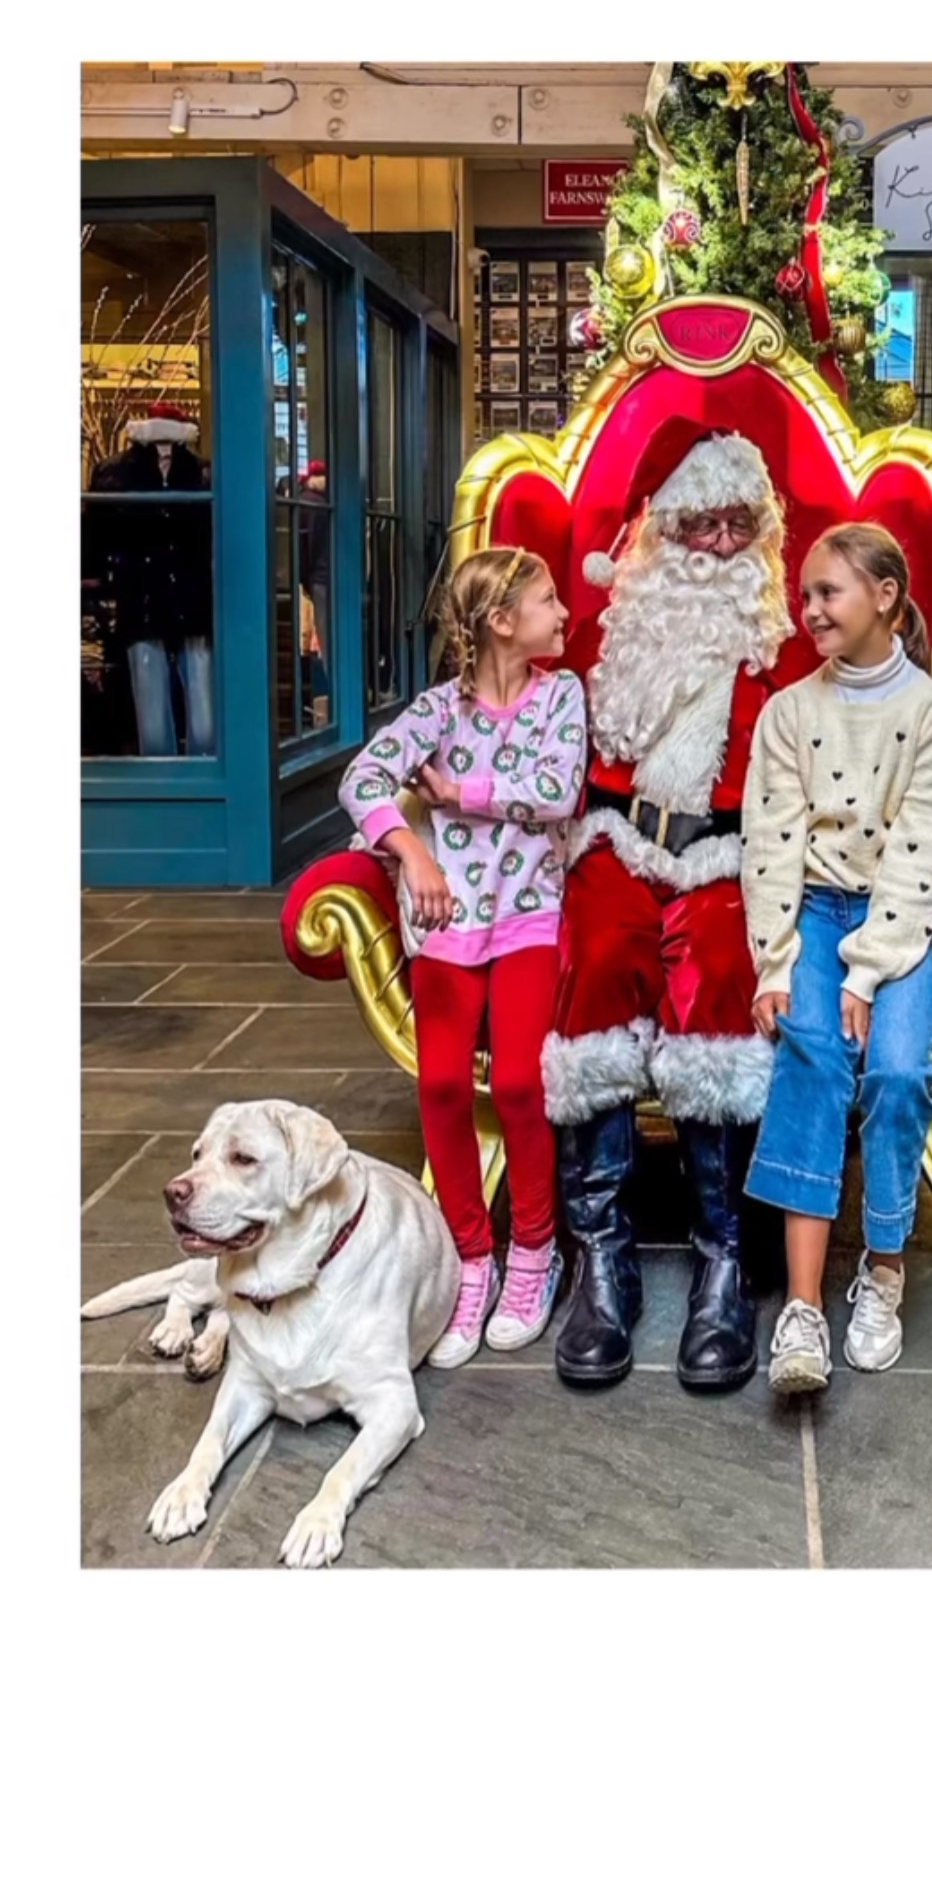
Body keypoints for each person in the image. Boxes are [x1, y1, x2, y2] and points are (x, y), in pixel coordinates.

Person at [740, 520, 932, 1394]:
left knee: (898, 1074)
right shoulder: (790, 712)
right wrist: (778, 961)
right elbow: (770, 842)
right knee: (814, 1055)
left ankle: (884, 1269)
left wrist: (871, 970)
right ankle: (799, 1309)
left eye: (829, 592)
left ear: (886, 598)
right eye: (808, 593)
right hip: (815, 914)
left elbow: (921, 850)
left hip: (902, 917)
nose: (810, 606)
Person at [538, 424, 792, 1392]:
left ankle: (723, 1256)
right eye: (702, 524)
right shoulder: (606, 633)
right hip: (616, 837)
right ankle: (600, 1256)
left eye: (740, 525)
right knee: (599, 954)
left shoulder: (785, 635)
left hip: (734, 848)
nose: (722, 546)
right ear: (659, 527)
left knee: (725, 969)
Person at [339, 547, 585, 1366]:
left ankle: (535, 1254)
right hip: (445, 923)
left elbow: (560, 792)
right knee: (442, 1082)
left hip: (527, 917)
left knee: (517, 1079)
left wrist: (464, 795)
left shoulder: (562, 697)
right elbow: (362, 780)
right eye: (548, 600)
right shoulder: (437, 711)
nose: (564, 611)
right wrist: (414, 852)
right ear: (502, 622)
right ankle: (469, 1259)